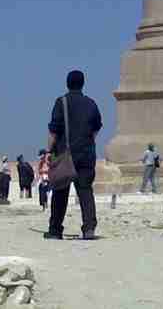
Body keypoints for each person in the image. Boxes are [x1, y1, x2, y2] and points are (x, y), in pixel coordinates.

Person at [44, 69, 102, 240]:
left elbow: (54, 130)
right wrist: (88, 141)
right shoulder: (91, 103)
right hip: (86, 154)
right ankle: (89, 228)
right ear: (83, 83)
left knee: (60, 192)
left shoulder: (61, 102)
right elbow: (97, 127)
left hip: (64, 155)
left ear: (67, 83)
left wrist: (49, 150)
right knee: (85, 192)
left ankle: (55, 230)